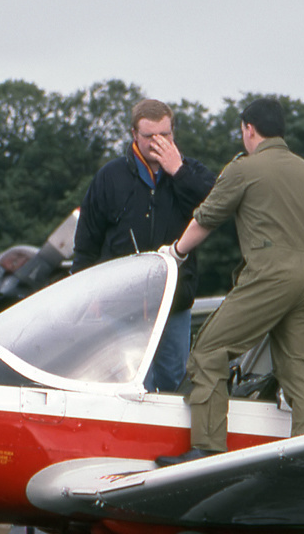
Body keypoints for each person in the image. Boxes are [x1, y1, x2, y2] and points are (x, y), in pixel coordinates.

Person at [156, 98, 304, 465]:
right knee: (301, 366)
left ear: (249, 129)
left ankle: (207, 448)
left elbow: (206, 218)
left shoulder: (244, 170)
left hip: (270, 274)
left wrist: (174, 253)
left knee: (210, 351)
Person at [72, 98, 216, 393]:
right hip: (121, 305)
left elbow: (217, 205)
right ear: (134, 134)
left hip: (174, 303)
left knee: (175, 381)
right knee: (132, 385)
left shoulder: (191, 172)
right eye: (150, 136)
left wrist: (179, 171)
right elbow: (87, 242)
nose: (158, 142)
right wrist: (86, 296)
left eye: (166, 135)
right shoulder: (109, 177)